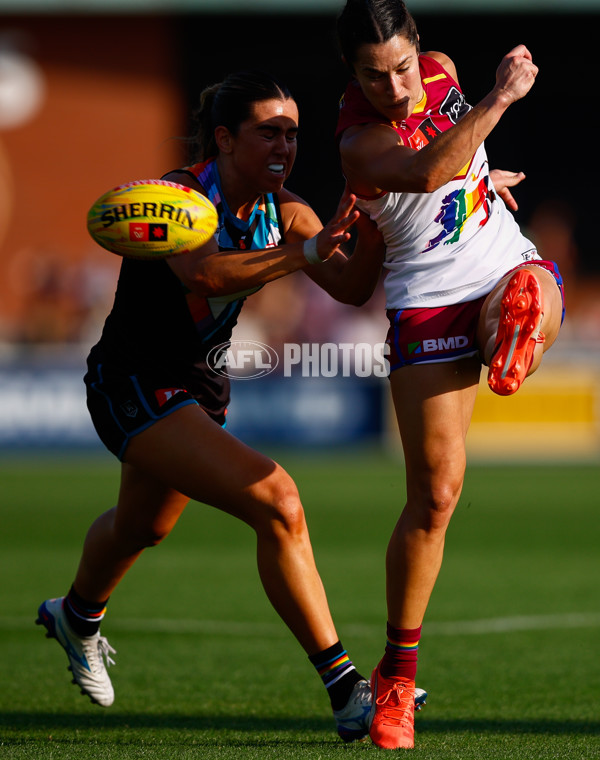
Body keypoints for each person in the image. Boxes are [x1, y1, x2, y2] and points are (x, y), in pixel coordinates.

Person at [36, 70, 397, 743]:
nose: (285, 146)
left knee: (145, 528)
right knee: (279, 501)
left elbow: (348, 286)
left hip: (200, 389)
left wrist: (384, 220)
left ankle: (76, 616)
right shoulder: (177, 197)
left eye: (292, 133)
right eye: (269, 133)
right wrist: (304, 252)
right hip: (134, 382)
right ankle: (348, 691)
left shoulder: (285, 209)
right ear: (226, 139)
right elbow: (204, 274)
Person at [335, 0, 565, 750]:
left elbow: (460, 165)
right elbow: (435, 169)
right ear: (353, 78)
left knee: (529, 289)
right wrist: (500, 99)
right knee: (434, 496)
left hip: (496, 261)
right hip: (426, 305)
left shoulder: (441, 71)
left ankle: (514, 328)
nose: (395, 88)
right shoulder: (358, 143)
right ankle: (396, 678)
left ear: (418, 51)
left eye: (401, 68)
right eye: (374, 77)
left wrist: (482, 181)